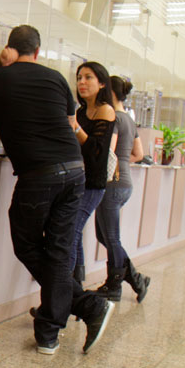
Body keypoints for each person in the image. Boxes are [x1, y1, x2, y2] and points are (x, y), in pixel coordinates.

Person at [0, 25, 114, 355]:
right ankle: (50, 332)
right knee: (57, 250)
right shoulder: (56, 79)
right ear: (38, 52)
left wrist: (0, 62)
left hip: (39, 174)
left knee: (26, 244)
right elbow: (69, 122)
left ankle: (83, 308)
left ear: (9, 48)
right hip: (75, 170)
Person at [92, 76, 151, 302]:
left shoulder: (114, 117)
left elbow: (108, 150)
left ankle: (115, 285)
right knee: (104, 234)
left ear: (111, 93)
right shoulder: (129, 119)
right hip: (125, 183)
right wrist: (122, 163)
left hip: (112, 184)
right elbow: (138, 154)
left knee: (111, 237)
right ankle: (136, 279)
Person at [69, 61, 118, 282]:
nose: (82, 82)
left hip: (93, 184)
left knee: (71, 229)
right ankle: (76, 286)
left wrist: (75, 128)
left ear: (101, 83)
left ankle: (70, 288)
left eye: (88, 77)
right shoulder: (79, 112)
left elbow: (95, 152)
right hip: (76, 180)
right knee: (73, 232)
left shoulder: (106, 110)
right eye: (79, 77)